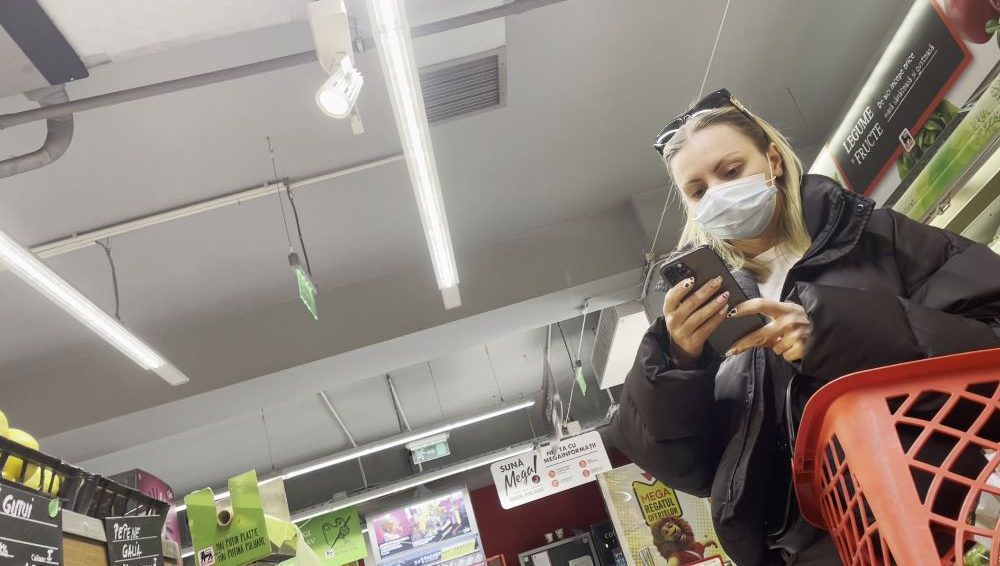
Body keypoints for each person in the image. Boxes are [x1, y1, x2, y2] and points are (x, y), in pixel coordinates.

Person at [612, 89, 1000, 565]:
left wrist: (832, 333)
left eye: (731, 171)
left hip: (944, 513)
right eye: (697, 191)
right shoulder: (710, 315)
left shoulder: (877, 237)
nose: (717, 194)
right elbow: (693, 471)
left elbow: (990, 335)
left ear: (773, 160)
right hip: (818, 549)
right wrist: (678, 364)